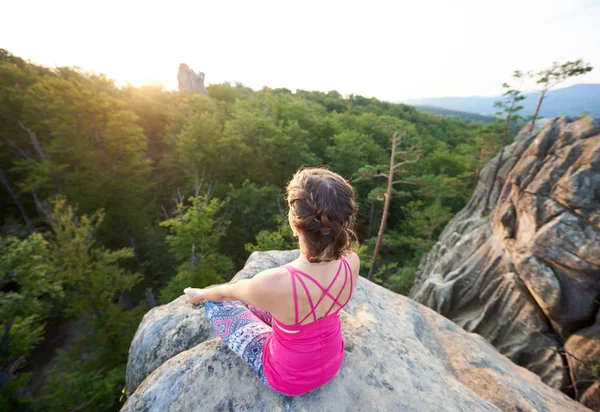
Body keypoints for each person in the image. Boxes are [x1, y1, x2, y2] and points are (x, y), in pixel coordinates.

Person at [183, 167, 360, 396]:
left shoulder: (275, 283)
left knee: (217, 304)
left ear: (296, 224)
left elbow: (228, 293)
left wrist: (201, 294)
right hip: (333, 361)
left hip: (288, 378)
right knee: (263, 304)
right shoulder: (352, 262)